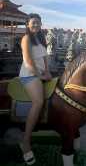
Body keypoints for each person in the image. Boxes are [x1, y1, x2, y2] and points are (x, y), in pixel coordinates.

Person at [19, 13, 52, 165]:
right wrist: (40, 76)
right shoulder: (26, 39)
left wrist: (47, 71)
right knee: (38, 102)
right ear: (27, 24)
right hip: (29, 74)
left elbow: (45, 58)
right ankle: (25, 142)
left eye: (38, 23)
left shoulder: (40, 39)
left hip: (41, 73)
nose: (36, 25)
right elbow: (28, 61)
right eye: (33, 23)